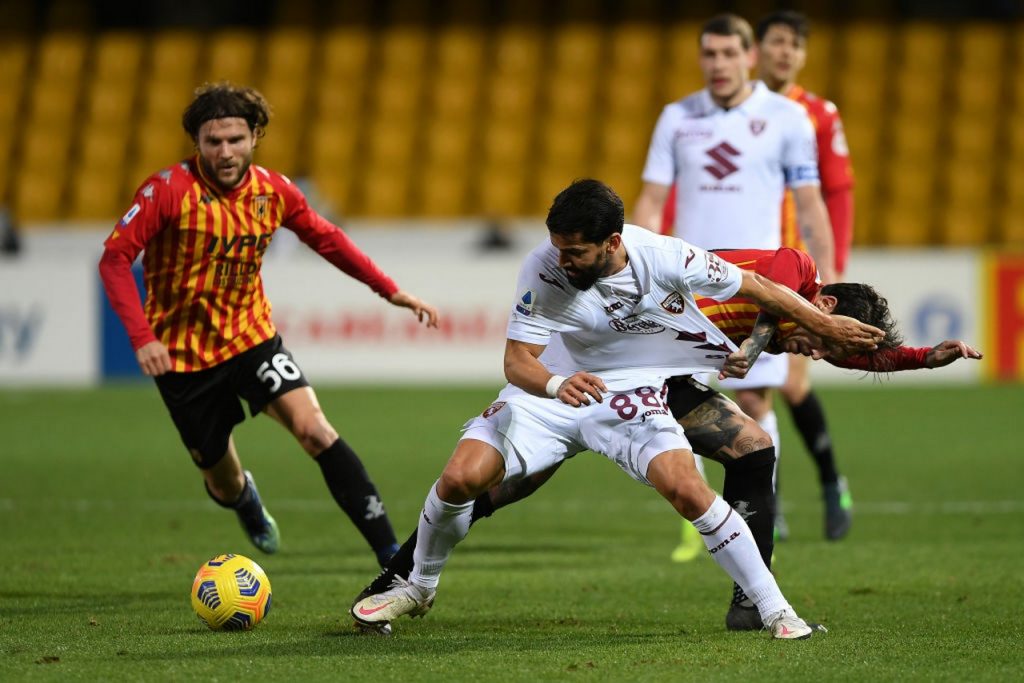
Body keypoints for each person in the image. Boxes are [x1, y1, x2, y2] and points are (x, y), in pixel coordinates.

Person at [349, 179, 885, 639]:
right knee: (468, 481)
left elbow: (761, 287)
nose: (562, 260)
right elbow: (516, 362)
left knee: (708, 473)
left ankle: (769, 608)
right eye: (558, 247)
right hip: (561, 382)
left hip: (638, 386)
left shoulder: (665, 256)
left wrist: (838, 330)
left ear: (612, 242)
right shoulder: (545, 267)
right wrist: (557, 385)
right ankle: (412, 582)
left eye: (575, 251)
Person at [98, 83, 439, 566]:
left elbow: (326, 237)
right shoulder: (167, 192)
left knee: (315, 430)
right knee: (222, 482)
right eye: (213, 141)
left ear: (255, 136)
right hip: (183, 359)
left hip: (251, 339)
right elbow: (114, 260)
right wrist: (142, 337)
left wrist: (388, 289)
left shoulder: (273, 191)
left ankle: (394, 559)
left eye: (235, 139)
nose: (225, 152)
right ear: (197, 142)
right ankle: (244, 499)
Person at [632, 13, 837, 562]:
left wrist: (826, 277)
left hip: (760, 285)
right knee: (670, 396)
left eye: (728, 53)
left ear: (750, 57)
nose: (718, 64)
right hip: (686, 286)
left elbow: (811, 205)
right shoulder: (677, 117)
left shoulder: (788, 118)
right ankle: (696, 516)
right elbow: (651, 199)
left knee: (751, 398)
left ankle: (764, 505)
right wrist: (638, 265)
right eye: (709, 54)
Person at [755, 9, 856, 541]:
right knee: (756, 392)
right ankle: (769, 502)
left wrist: (832, 266)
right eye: (777, 42)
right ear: (758, 50)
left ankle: (830, 483)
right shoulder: (738, 110)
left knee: (792, 384)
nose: (785, 52)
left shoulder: (817, 114)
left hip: (799, 267)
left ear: (803, 54)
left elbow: (837, 192)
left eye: (794, 44)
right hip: (753, 263)